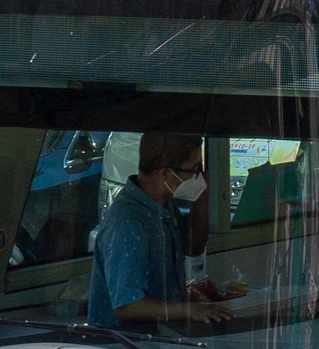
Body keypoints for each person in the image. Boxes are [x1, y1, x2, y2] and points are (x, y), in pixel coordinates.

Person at [89, 133, 232, 328]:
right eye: (193, 170)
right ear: (165, 174)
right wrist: (187, 310)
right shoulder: (127, 224)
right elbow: (127, 305)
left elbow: (193, 248)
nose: (197, 177)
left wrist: (201, 202)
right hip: (127, 345)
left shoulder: (163, 206)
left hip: (164, 335)